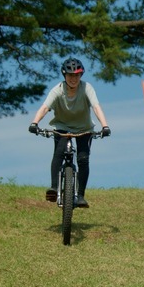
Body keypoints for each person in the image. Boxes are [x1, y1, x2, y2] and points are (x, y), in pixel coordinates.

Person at [28, 57, 111, 208]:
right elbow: (45, 107)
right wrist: (34, 123)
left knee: (83, 159)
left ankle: (80, 196)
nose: (73, 78)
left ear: (81, 76)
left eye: (77, 75)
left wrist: (105, 126)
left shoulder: (87, 88)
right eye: (70, 75)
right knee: (59, 152)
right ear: (64, 75)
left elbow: (96, 107)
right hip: (62, 127)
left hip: (84, 129)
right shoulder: (57, 90)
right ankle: (54, 188)